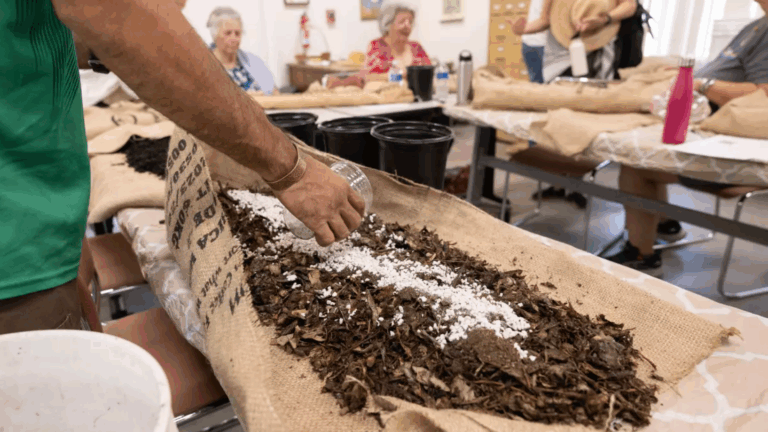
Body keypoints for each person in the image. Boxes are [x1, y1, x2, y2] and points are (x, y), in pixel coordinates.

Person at [0, 0, 365, 335]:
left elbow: (43, 31)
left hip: (30, 222)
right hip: (15, 248)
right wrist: (293, 171)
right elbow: (118, 14)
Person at [607, 4, 768, 275]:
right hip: (712, 120)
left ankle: (641, 252)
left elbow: (761, 96)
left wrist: (699, 83)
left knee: (637, 163)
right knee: (638, 154)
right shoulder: (756, 26)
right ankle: (663, 225)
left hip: (731, 136)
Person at [328, 3, 430, 89]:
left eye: (410, 22)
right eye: (402, 21)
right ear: (388, 24)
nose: (407, 26)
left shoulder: (416, 47)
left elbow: (431, 73)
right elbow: (367, 77)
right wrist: (402, 76)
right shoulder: (377, 46)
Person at [207, 6, 277, 94]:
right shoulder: (205, 64)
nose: (234, 38)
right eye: (228, 33)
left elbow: (274, 92)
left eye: (237, 33)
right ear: (215, 35)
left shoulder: (253, 61)